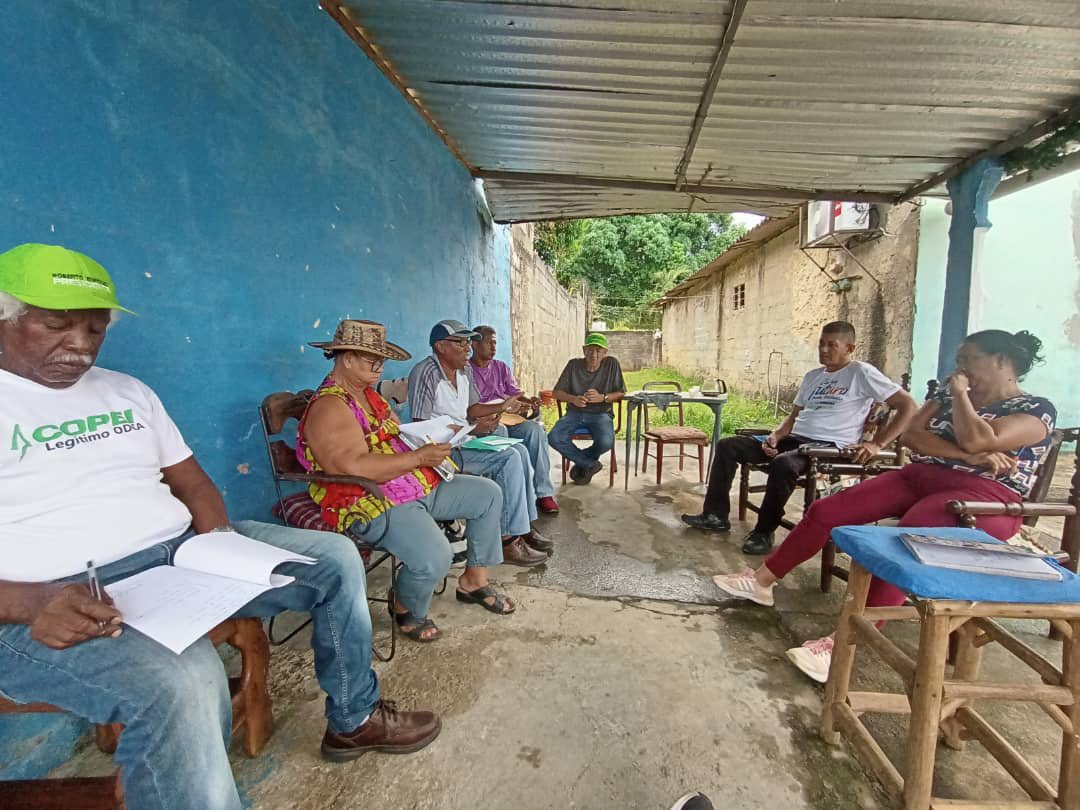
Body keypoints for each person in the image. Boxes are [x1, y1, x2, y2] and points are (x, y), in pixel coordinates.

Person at [0, 244, 440, 810]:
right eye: (58, 325)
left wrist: (216, 543)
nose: (81, 345)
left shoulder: (127, 392)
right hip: (49, 597)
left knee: (332, 559)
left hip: (179, 552)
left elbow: (195, 484)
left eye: (95, 329)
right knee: (184, 682)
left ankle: (352, 717)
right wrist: (32, 603)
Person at [712, 329, 1055, 683]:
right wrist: (968, 453)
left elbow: (979, 437)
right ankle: (762, 582)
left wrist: (959, 398)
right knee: (829, 511)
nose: (961, 368)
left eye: (969, 360)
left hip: (985, 500)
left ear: (1002, 362)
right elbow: (913, 437)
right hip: (922, 475)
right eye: (959, 361)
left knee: (908, 535)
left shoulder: (1034, 409)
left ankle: (841, 646)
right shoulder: (947, 395)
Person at [298, 319, 515, 642]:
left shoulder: (369, 396)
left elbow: (398, 436)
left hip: (409, 483)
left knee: (488, 494)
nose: (380, 365)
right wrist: (418, 457)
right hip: (367, 499)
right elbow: (350, 467)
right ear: (345, 357)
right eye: (371, 358)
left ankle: (474, 580)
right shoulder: (331, 406)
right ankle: (405, 607)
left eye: (382, 358)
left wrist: (436, 440)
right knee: (436, 556)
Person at [682, 321, 917, 554]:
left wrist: (877, 444)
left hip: (829, 448)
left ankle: (764, 531)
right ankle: (715, 515)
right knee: (728, 446)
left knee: (784, 464)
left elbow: (908, 405)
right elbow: (793, 417)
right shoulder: (813, 376)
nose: (824, 350)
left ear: (850, 348)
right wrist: (775, 436)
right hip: (795, 439)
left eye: (832, 345)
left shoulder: (861, 373)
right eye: (821, 344)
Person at [409, 320, 551, 564]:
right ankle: (508, 539)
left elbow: (472, 408)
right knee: (508, 460)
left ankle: (524, 526)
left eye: (468, 342)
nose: (467, 348)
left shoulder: (463, 371)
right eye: (461, 342)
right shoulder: (427, 372)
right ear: (441, 346)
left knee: (518, 450)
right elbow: (420, 425)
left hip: (464, 440)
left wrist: (500, 407)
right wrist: (471, 427)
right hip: (441, 452)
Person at [469, 324, 559, 514]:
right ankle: (510, 495)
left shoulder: (501, 367)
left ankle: (544, 493)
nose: (494, 347)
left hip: (509, 417)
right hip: (484, 422)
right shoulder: (465, 371)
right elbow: (470, 409)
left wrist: (529, 402)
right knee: (501, 432)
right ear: (475, 344)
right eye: (489, 343)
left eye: (495, 343)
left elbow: (515, 394)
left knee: (535, 431)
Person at [548, 333, 627, 485]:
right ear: (584, 350)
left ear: (605, 352)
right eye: (590, 350)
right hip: (574, 413)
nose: (594, 354)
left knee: (606, 442)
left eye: (599, 350)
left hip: (601, 414)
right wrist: (574, 399)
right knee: (554, 437)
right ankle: (591, 464)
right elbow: (556, 392)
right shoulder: (573, 365)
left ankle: (582, 463)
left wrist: (602, 397)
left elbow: (621, 392)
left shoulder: (612, 364)